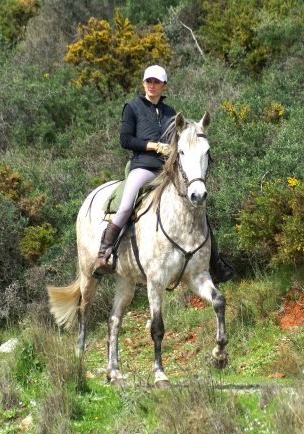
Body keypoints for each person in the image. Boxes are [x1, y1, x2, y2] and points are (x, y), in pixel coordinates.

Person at [94, 65, 234, 284]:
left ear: (164, 86)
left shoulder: (171, 113)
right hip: (142, 167)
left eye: (156, 82)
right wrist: (154, 146)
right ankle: (104, 254)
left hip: (167, 171)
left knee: (197, 209)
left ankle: (216, 263)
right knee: (125, 205)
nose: (152, 85)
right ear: (143, 83)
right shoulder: (132, 107)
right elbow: (125, 140)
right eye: (148, 81)